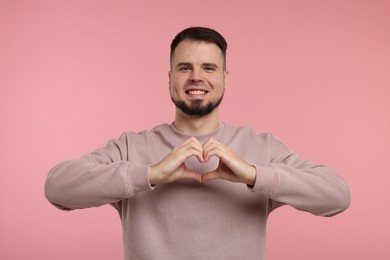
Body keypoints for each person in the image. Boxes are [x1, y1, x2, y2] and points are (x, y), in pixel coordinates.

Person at [45, 27, 351, 259]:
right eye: (184, 67)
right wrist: (150, 174)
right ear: (169, 77)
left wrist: (253, 174)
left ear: (225, 78)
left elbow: (337, 196)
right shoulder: (131, 147)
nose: (196, 77)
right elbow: (57, 188)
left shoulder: (261, 147)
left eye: (208, 68)